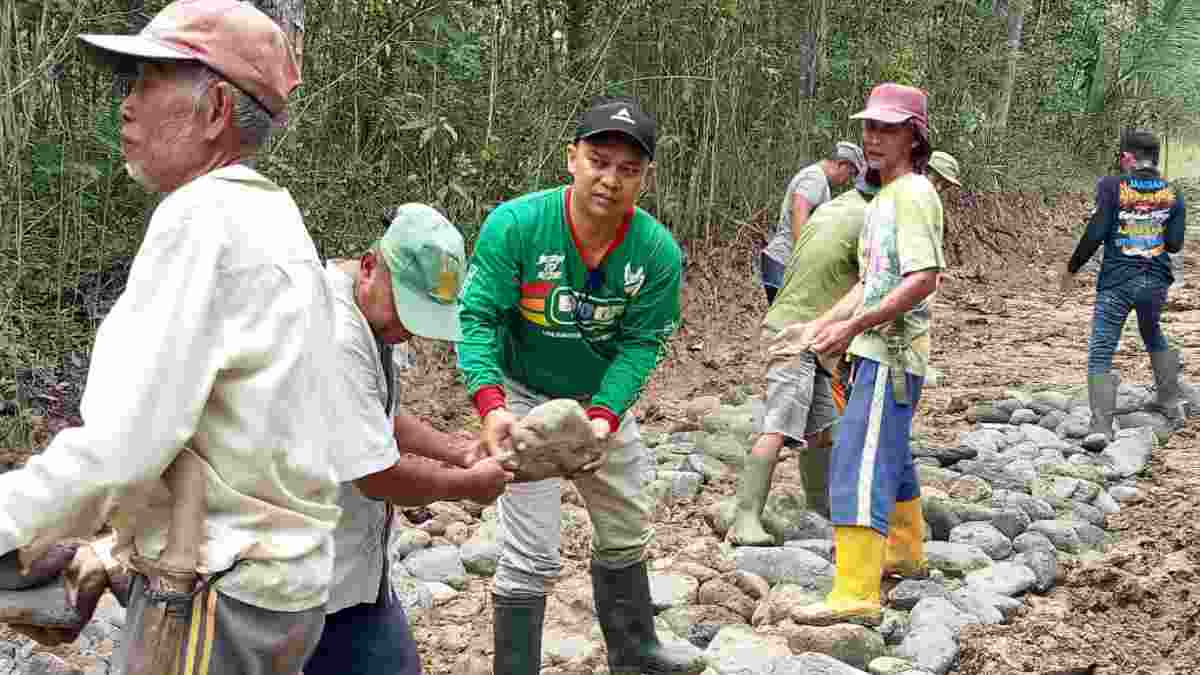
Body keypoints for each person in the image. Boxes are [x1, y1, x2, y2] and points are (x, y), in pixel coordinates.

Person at [0, 1, 344, 671]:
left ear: (216, 109)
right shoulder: (276, 218)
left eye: (149, 79)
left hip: (216, 596)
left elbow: (121, 448)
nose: (126, 105)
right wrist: (109, 543)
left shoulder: (200, 220)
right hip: (281, 588)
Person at [457, 96, 706, 675]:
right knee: (531, 550)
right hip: (522, 394)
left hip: (599, 401)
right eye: (598, 160)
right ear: (572, 159)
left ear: (644, 177)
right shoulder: (517, 226)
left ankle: (636, 653)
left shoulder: (658, 253)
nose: (610, 179)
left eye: (628, 169)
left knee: (626, 523)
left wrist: (605, 417)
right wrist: (491, 407)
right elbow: (477, 320)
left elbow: (642, 344)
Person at [305, 205, 514, 675]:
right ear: (368, 265)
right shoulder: (333, 335)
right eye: (402, 311)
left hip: (352, 574)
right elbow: (377, 475)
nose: (405, 329)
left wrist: (456, 449)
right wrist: (466, 486)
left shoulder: (372, 312)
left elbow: (379, 414)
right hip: (300, 578)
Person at [793, 83, 945, 626]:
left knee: (858, 458)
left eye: (888, 128)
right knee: (891, 452)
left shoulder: (915, 195)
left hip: (892, 354)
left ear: (914, 136)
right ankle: (904, 555)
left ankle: (856, 591)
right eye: (870, 126)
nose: (873, 137)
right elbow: (874, 281)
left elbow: (923, 279)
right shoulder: (884, 197)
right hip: (875, 347)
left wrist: (855, 326)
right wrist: (823, 323)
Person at [727, 174, 880, 547]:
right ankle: (744, 518)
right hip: (798, 334)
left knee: (822, 429)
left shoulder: (833, 208)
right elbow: (869, 286)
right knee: (778, 426)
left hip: (804, 330)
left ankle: (819, 508)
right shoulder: (870, 220)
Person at [1060, 128, 1187, 450]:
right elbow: (1174, 244)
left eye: (1121, 157)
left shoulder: (1111, 186)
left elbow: (1097, 231)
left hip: (1117, 280)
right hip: (1156, 280)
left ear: (1128, 157)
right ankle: (1171, 402)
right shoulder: (1173, 193)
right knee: (1152, 333)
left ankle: (1101, 425)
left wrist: (1072, 267)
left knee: (1102, 347)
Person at [761, 142, 866, 304]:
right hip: (785, 262)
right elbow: (799, 210)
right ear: (842, 164)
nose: (847, 180)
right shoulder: (815, 178)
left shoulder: (816, 178)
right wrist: (803, 259)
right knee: (787, 321)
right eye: (850, 174)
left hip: (782, 263)